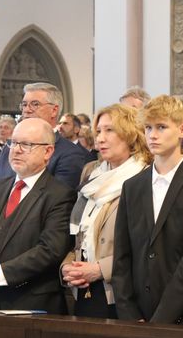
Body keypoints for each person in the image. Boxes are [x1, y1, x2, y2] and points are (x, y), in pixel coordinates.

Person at [112, 96, 183, 325]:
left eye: (161, 127)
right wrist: (130, 314)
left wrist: (160, 320)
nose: (152, 135)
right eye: (148, 128)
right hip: (138, 315)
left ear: (182, 130)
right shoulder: (132, 186)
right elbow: (122, 257)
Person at [0, 118, 75, 313]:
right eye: (13, 143)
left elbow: (50, 250)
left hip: (30, 304)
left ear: (48, 152)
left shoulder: (60, 195)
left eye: (27, 144)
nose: (17, 149)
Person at [61, 104, 150, 318]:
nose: (100, 138)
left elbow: (146, 245)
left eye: (110, 130)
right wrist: (67, 266)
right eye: (98, 131)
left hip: (123, 291)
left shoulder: (144, 177)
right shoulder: (91, 173)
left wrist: (100, 269)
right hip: (85, 287)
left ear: (130, 134)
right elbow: (79, 232)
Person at [0, 82, 92, 191]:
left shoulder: (70, 153)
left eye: (35, 104)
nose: (27, 110)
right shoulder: (9, 148)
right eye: (24, 105)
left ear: (54, 110)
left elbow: (58, 198)